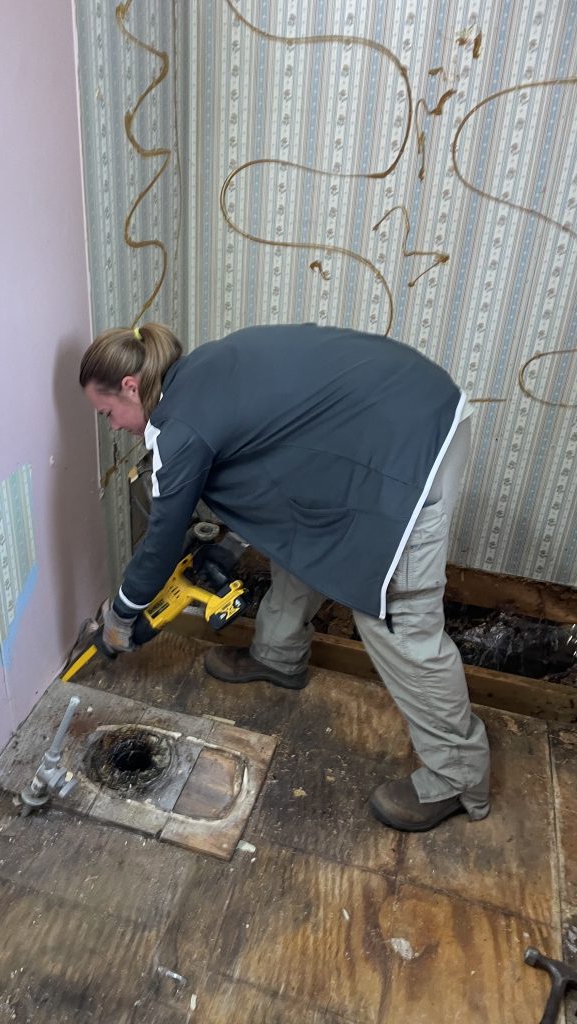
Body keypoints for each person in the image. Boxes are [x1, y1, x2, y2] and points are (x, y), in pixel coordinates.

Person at [80, 322, 490, 832]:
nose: (114, 427)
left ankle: (458, 775)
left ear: (130, 387)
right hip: (399, 414)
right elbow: (270, 480)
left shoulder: (178, 426)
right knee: (300, 535)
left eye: (107, 413)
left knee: (396, 615)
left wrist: (121, 616)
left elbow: (161, 539)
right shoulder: (202, 372)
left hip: (412, 444)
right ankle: (278, 655)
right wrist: (230, 544)